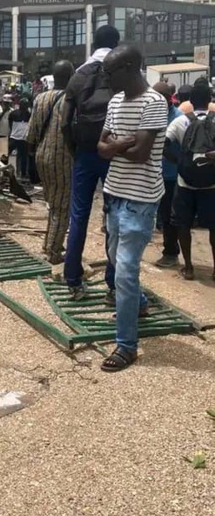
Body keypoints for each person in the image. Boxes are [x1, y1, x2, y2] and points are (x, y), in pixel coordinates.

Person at [98, 45, 168, 372]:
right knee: (113, 258)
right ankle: (138, 304)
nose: (106, 79)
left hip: (141, 200)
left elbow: (141, 154)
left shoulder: (154, 103)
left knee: (125, 271)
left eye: (110, 72)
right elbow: (101, 148)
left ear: (129, 67)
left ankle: (127, 346)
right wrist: (121, 144)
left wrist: (117, 145)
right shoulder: (115, 102)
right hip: (113, 193)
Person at [61, 25, 121, 299]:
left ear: (93, 42)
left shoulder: (78, 75)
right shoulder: (122, 74)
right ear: (117, 43)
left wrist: (76, 152)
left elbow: (64, 122)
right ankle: (113, 283)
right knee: (114, 218)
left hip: (85, 153)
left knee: (79, 216)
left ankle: (73, 279)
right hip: (114, 154)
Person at [165, 82, 215, 281]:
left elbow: (163, 144)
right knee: (214, 227)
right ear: (209, 100)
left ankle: (188, 267)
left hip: (185, 183)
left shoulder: (180, 122)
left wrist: (178, 161)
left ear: (191, 102)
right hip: (212, 184)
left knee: (183, 225)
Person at [27, 60, 75, 263]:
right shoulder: (71, 100)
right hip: (62, 158)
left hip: (42, 156)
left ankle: (49, 243)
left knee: (52, 203)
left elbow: (31, 132)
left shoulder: (40, 98)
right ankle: (53, 252)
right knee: (62, 205)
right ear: (71, 76)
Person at [152, 82, 182, 267]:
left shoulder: (179, 118)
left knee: (170, 216)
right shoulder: (152, 114)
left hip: (172, 176)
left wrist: (161, 148)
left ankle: (171, 252)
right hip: (155, 173)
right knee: (160, 215)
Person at [9, 99, 31, 178]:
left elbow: (10, 124)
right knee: (23, 157)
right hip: (22, 138)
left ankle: (21, 173)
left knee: (7, 155)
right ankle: (22, 174)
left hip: (15, 137)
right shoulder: (29, 115)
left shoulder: (13, 113)